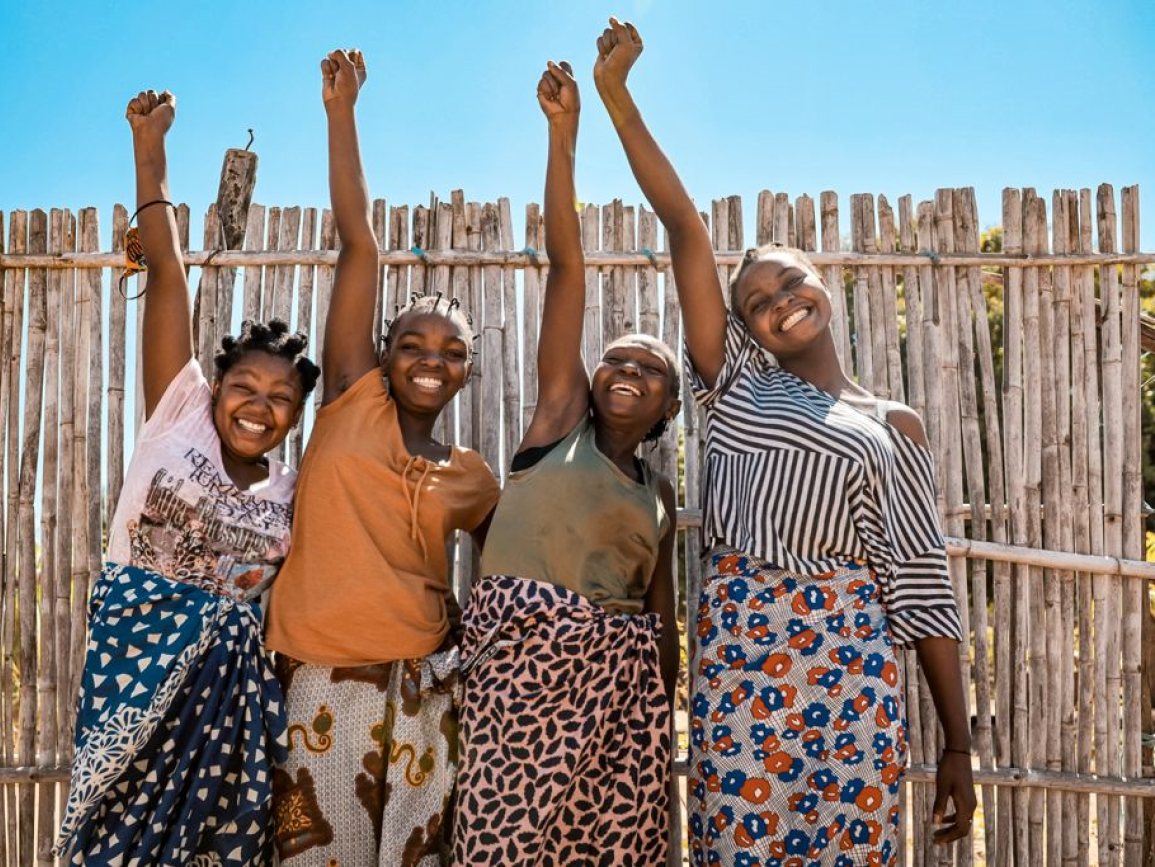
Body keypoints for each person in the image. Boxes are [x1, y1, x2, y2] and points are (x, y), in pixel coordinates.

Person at [592, 18, 976, 865]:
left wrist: (956, 741)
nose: (780, 299)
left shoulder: (893, 423)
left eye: (790, 278)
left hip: (855, 657)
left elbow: (918, 582)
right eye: (758, 298)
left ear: (822, 281)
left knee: (852, 843)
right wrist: (618, 101)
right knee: (738, 842)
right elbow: (687, 229)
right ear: (746, 329)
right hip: (746, 647)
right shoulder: (734, 384)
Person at [55, 88, 320, 865]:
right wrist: (150, 150)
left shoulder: (293, 490)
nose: (258, 407)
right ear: (216, 385)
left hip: (227, 710)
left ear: (296, 415)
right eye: (245, 387)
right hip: (131, 674)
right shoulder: (179, 416)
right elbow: (166, 272)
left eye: (280, 399)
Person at [264, 50, 499, 866]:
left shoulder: (473, 476)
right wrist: (342, 111)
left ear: (469, 367)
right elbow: (358, 243)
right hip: (318, 678)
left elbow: (502, 576)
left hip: (424, 687)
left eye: (452, 349)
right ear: (383, 352)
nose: (431, 358)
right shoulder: (352, 399)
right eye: (413, 342)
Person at [453, 58, 679, 866]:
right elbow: (567, 273)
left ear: (669, 405)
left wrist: (660, 704)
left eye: (649, 368)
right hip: (519, 675)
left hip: (620, 698)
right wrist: (563, 137)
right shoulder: (557, 426)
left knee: (610, 846)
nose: (626, 370)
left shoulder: (660, 496)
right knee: (499, 839)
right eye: (615, 359)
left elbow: (661, 619)